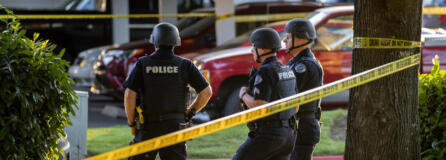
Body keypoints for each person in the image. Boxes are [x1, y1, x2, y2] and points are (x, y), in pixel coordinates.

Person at [124, 22, 212, 160]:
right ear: (176, 42)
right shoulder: (185, 65)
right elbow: (206, 92)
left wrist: (132, 124)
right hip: (175, 128)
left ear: (154, 42)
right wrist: (189, 113)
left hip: (148, 128)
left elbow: (129, 95)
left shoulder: (143, 63)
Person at [233, 28, 298, 160]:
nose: (252, 50)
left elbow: (260, 105)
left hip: (268, 135)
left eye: (253, 46)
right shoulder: (287, 70)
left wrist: (243, 95)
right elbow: (296, 107)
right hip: (289, 136)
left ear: (261, 49)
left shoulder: (265, 71)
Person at [283, 18, 323, 160]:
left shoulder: (304, 66)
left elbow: (289, 95)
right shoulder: (296, 62)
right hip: (298, 127)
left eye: (287, 37)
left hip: (302, 126)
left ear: (300, 39)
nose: (284, 41)